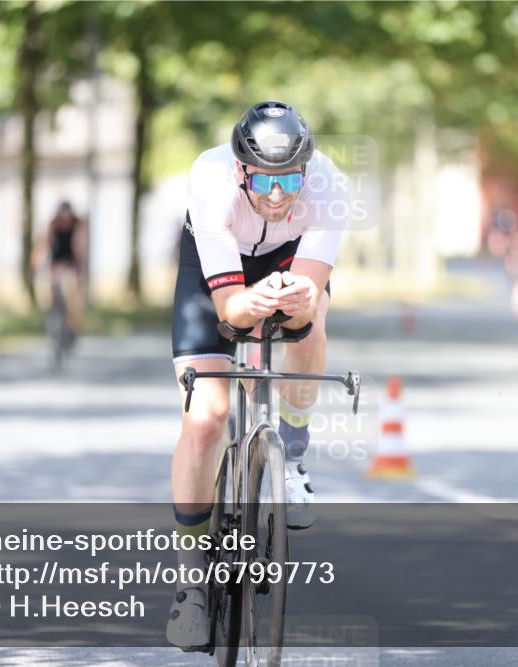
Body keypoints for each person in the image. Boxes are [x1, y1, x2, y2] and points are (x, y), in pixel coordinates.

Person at [166, 100, 348, 649]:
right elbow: (230, 313)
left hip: (288, 258)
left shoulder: (330, 187)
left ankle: (290, 454)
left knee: (310, 331)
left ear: (307, 169)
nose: (276, 193)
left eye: (289, 177)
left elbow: (306, 304)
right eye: (263, 179)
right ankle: (191, 583)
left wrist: (295, 300)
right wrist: (253, 301)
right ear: (241, 168)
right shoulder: (211, 178)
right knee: (208, 417)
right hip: (216, 267)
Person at [30, 201, 88, 339]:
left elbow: (80, 248)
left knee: (74, 294)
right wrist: (35, 265)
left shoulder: (77, 226)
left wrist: (80, 267)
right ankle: (53, 315)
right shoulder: (53, 225)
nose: (65, 220)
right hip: (56, 263)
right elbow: (43, 246)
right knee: (51, 288)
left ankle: (72, 326)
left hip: (72, 263)